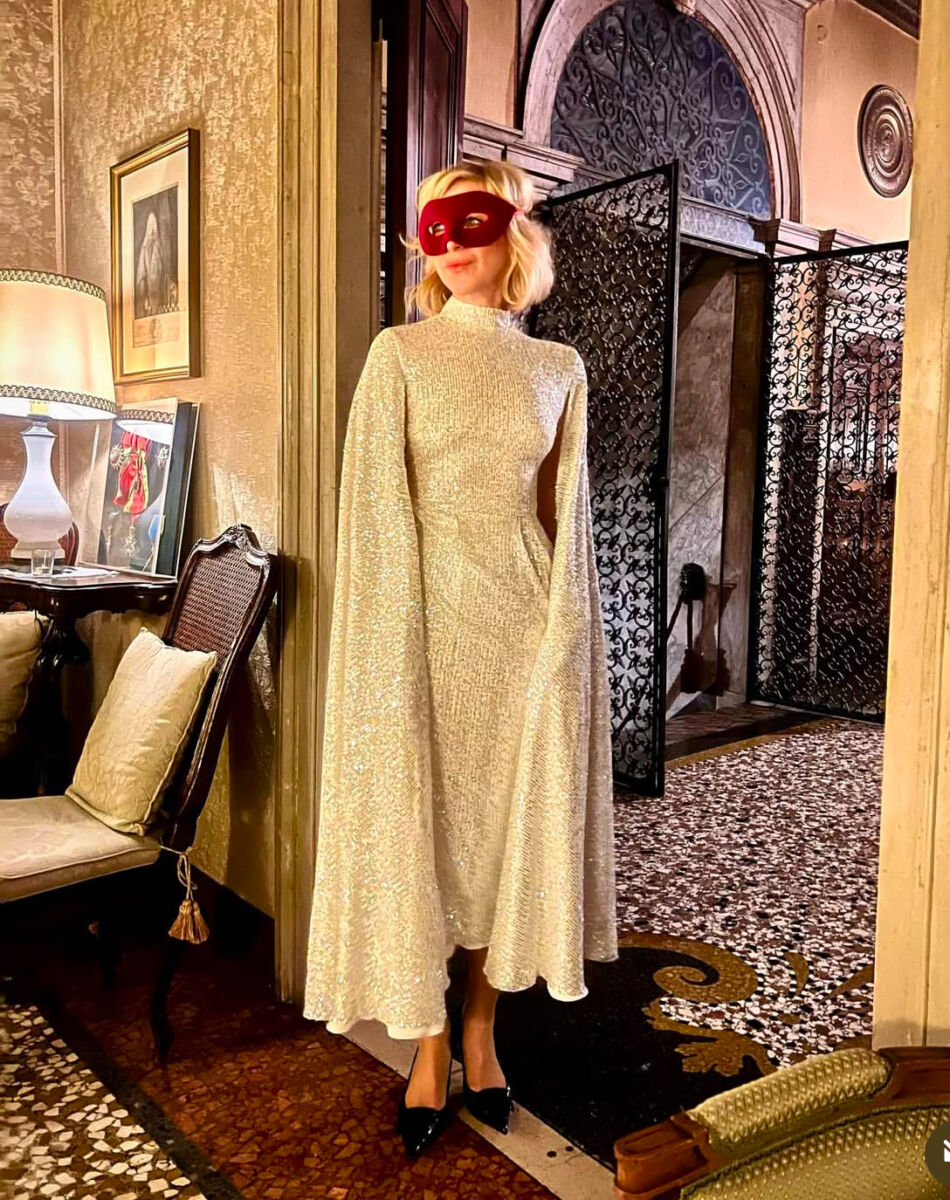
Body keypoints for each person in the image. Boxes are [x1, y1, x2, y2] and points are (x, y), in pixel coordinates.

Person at [303, 160, 618, 1158]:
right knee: (427, 834)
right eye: (433, 227)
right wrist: (386, 650)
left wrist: (565, 638)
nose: (448, 244)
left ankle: (480, 1030)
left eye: (469, 222)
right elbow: (372, 511)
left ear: (511, 233)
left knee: (500, 838)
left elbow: (561, 518)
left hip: (523, 630)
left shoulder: (557, 367)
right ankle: (429, 1043)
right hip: (422, 631)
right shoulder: (398, 354)